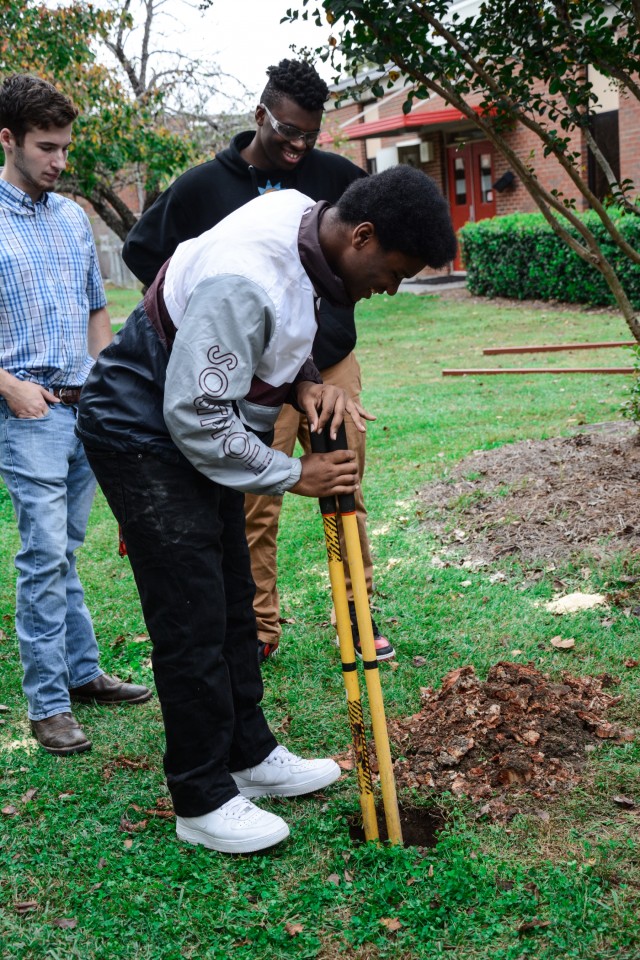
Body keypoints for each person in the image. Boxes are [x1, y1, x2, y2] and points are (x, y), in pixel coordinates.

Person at [76, 166, 457, 853]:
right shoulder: (245, 277)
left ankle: (248, 755)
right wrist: (295, 473)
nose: (391, 288)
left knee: (232, 597)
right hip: (141, 429)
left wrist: (304, 385)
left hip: (188, 420)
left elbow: (279, 335)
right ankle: (201, 795)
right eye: (394, 270)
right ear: (362, 235)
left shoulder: (302, 215)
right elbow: (195, 414)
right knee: (191, 616)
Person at [122, 59, 393, 665]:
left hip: (325, 366)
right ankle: (259, 626)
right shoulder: (202, 187)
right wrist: (203, 319)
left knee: (341, 480)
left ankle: (357, 614)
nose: (298, 146)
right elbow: (143, 251)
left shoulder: (334, 177)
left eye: (309, 135)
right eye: (287, 131)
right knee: (251, 499)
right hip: (243, 373)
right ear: (259, 116)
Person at [0, 74, 151, 758]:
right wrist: (9, 387)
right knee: (41, 555)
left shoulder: (70, 218)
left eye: (64, 147)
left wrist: (107, 381)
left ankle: (83, 670)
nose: (59, 162)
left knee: (64, 551)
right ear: (8, 139)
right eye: (45, 147)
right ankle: (49, 704)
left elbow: (97, 309)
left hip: (85, 407)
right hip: (26, 411)